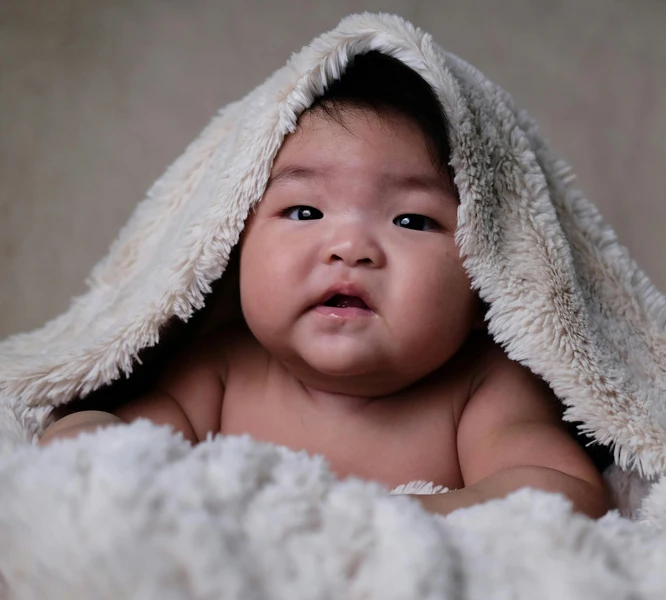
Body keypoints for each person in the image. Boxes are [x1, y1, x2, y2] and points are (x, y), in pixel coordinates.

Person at [39, 52, 608, 518]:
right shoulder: (224, 368)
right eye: (305, 210)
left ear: (489, 270)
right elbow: (120, 447)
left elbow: (562, 492)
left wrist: (419, 519)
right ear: (232, 240)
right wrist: (78, 431)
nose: (349, 248)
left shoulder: (481, 386)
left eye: (411, 220)